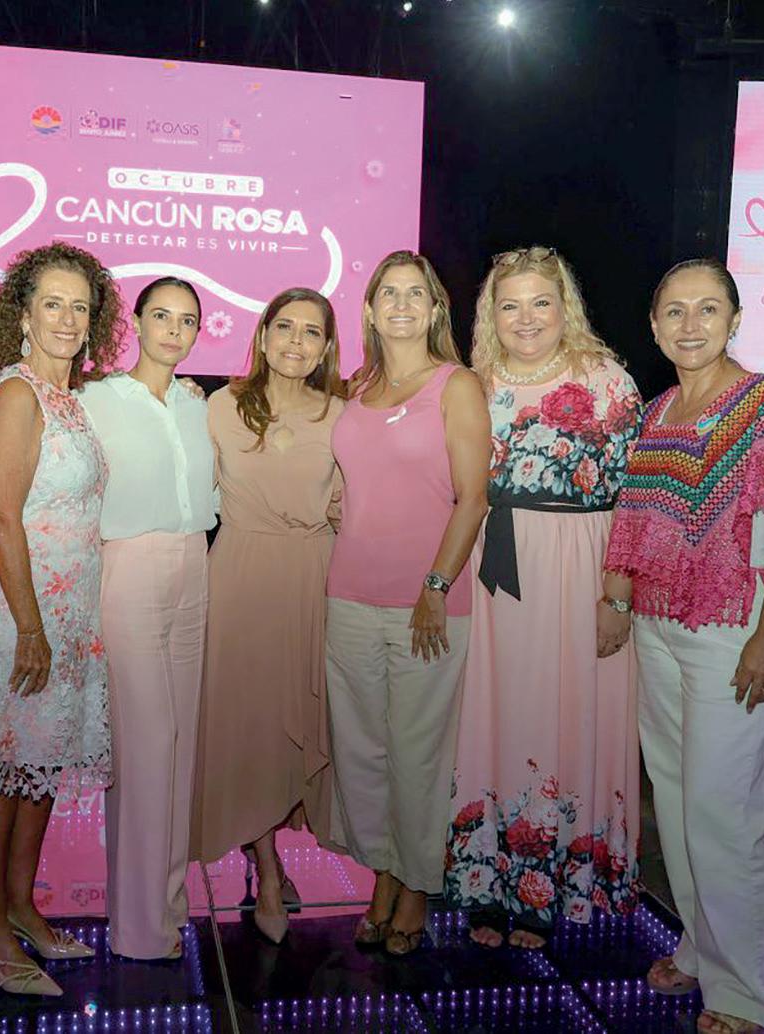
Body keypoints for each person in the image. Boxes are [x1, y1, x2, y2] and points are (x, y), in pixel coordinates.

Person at [601, 258, 764, 1034]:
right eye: (673, 311)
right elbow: (634, 518)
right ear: (653, 324)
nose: (689, 324)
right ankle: (702, 947)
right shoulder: (659, 410)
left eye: (706, 309)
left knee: (724, 812)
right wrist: (619, 600)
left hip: (736, 630)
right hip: (661, 625)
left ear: (734, 320)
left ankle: (752, 994)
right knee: (676, 799)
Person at [445, 246, 643, 950]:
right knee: (493, 714)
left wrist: (617, 596)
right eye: (510, 305)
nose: (525, 318)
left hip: (578, 568)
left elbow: (635, 498)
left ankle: (552, 884)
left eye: (540, 302)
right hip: (492, 571)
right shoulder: (472, 384)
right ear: (489, 314)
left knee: (566, 712)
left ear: (566, 308)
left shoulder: (606, 380)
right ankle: (487, 880)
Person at [0, 243, 124, 993]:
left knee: (41, 765)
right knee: (4, 771)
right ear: (22, 316)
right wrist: (29, 628)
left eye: (78, 307)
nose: (66, 318)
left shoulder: (71, 399)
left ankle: (23, 908)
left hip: (69, 613)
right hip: (18, 612)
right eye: (51, 303)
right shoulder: (17, 393)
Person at [326, 250, 491, 957]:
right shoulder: (355, 389)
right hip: (347, 594)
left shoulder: (456, 386)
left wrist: (435, 586)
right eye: (387, 293)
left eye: (414, 294)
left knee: (418, 754)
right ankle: (383, 875)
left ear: (434, 309)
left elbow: (473, 498)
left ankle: (417, 884)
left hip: (426, 601)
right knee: (361, 752)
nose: (400, 304)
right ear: (368, 310)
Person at [189, 287, 347, 943]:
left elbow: (354, 502)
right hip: (241, 574)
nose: (295, 342)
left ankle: (276, 847)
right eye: (285, 327)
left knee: (301, 719)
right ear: (262, 335)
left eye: (311, 332)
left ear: (326, 347)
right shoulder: (220, 406)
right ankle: (268, 866)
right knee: (249, 725)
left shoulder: (343, 414)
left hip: (315, 573)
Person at [79, 276, 214, 960]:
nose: (173, 330)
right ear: (134, 322)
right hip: (128, 567)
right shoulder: (97, 399)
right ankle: (137, 927)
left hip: (195, 563)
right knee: (145, 741)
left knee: (180, 739)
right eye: (161, 315)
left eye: (186, 320)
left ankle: (167, 901)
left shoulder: (196, 403)